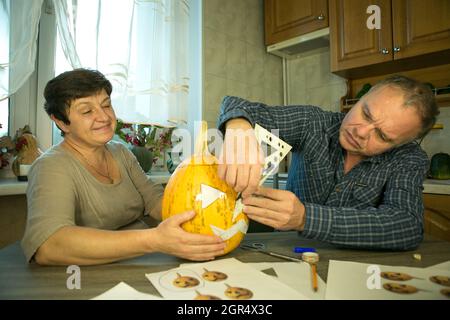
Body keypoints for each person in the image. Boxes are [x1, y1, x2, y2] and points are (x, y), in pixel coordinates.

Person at [21, 69, 226, 266]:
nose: (104, 117)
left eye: (106, 105)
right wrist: (154, 239)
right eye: (87, 110)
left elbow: (155, 201)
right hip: (87, 277)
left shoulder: (121, 152)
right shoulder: (51, 166)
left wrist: (208, 211)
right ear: (61, 122)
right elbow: (50, 246)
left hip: (141, 263)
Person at [217, 75, 439, 251]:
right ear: (361, 99)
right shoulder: (313, 123)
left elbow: (406, 226)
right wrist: (239, 126)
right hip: (287, 251)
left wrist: (305, 218)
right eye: (366, 113)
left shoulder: (410, 158)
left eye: (382, 136)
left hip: (360, 268)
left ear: (400, 144)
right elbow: (237, 105)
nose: (360, 132)